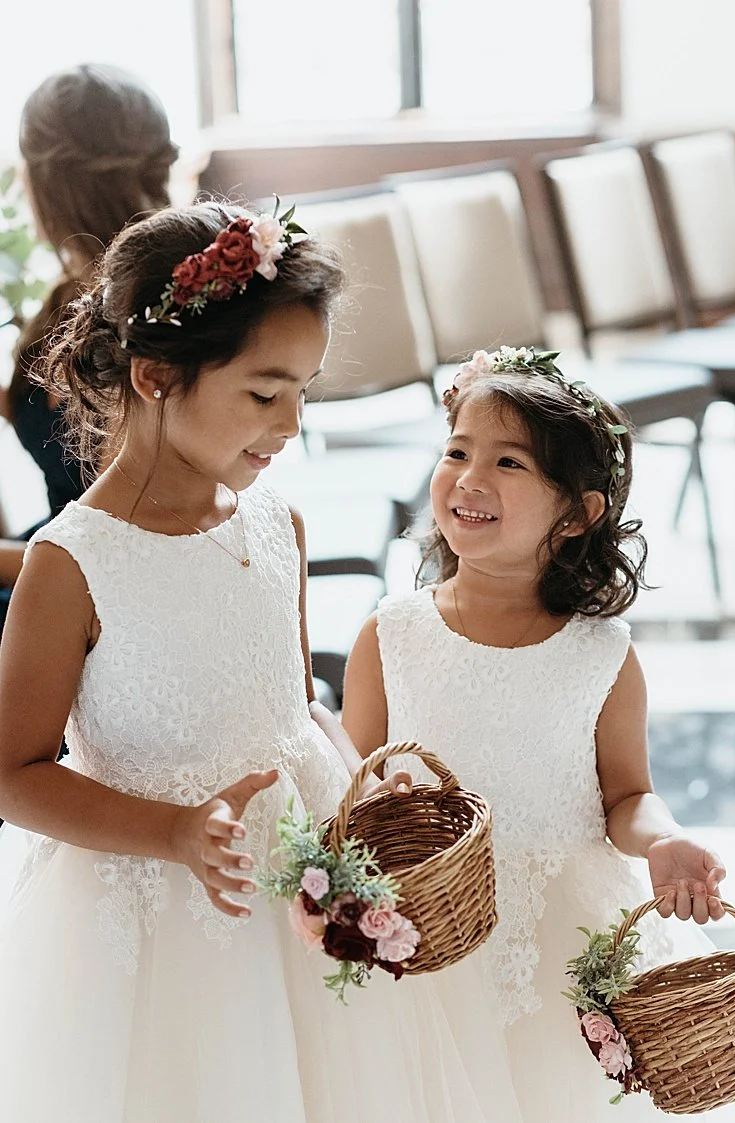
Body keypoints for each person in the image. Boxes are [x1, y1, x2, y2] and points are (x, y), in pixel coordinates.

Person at [0, 201, 523, 1122]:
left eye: (305, 390)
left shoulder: (280, 525)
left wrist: (359, 772)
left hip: (298, 882)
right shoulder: (72, 563)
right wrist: (170, 831)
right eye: (263, 391)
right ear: (158, 374)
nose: (292, 423)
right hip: (158, 915)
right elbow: (13, 772)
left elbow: (289, 705)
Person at [339, 347, 735, 1120]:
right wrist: (371, 800)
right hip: (429, 937)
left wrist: (662, 840)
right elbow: (350, 782)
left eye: (509, 462)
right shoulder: (389, 636)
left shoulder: (600, 655)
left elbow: (627, 794)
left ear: (578, 513)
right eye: (457, 450)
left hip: (556, 944)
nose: (469, 476)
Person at [0, 64, 176, 626]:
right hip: (51, 566)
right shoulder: (64, 302)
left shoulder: (155, 321)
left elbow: (132, 550)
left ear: (45, 183)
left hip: (109, 607)